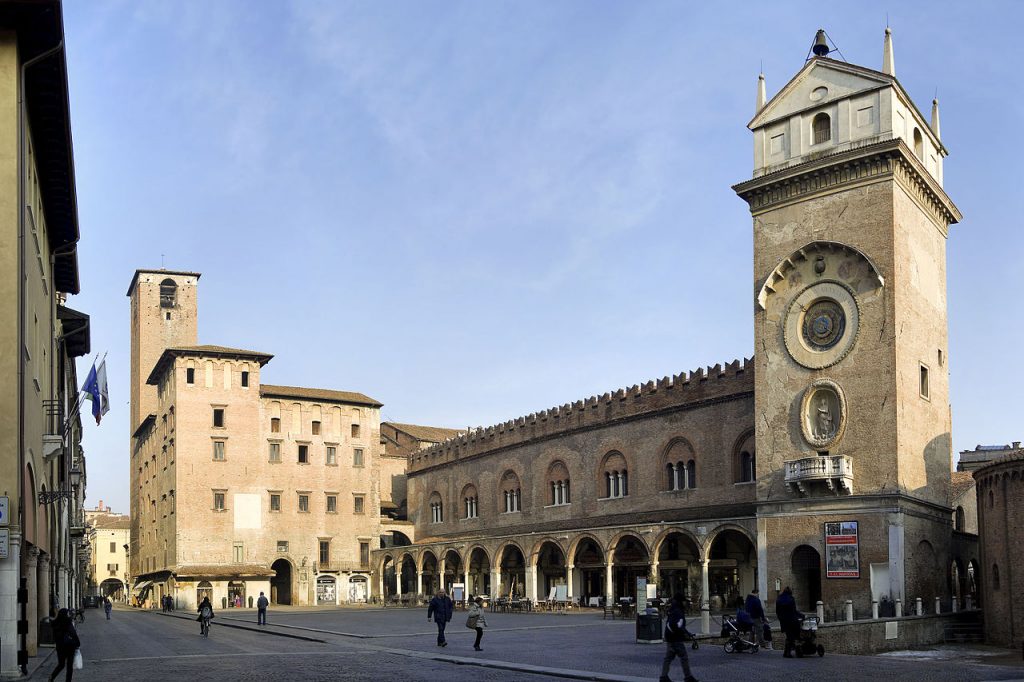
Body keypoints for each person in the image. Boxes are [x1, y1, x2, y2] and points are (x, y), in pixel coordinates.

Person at [660, 594, 698, 682]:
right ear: (681, 602)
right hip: (676, 638)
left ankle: (663, 677)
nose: (685, 603)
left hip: (669, 636)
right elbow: (679, 625)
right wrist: (686, 634)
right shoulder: (679, 611)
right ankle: (688, 677)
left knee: (668, 658)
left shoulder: (672, 609)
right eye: (684, 601)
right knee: (684, 657)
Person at [49, 608, 81, 682]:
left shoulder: (55, 623)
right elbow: (73, 633)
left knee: (61, 664)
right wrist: (78, 643)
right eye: (67, 613)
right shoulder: (67, 622)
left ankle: (52, 677)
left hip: (60, 647)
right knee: (69, 666)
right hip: (69, 647)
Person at [775, 586, 803, 658]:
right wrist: (802, 615)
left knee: (789, 636)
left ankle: (787, 652)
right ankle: (798, 652)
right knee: (797, 636)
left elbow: (777, 611)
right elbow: (794, 611)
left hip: (784, 621)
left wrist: (781, 618)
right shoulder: (791, 599)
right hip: (792, 620)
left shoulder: (779, 599)